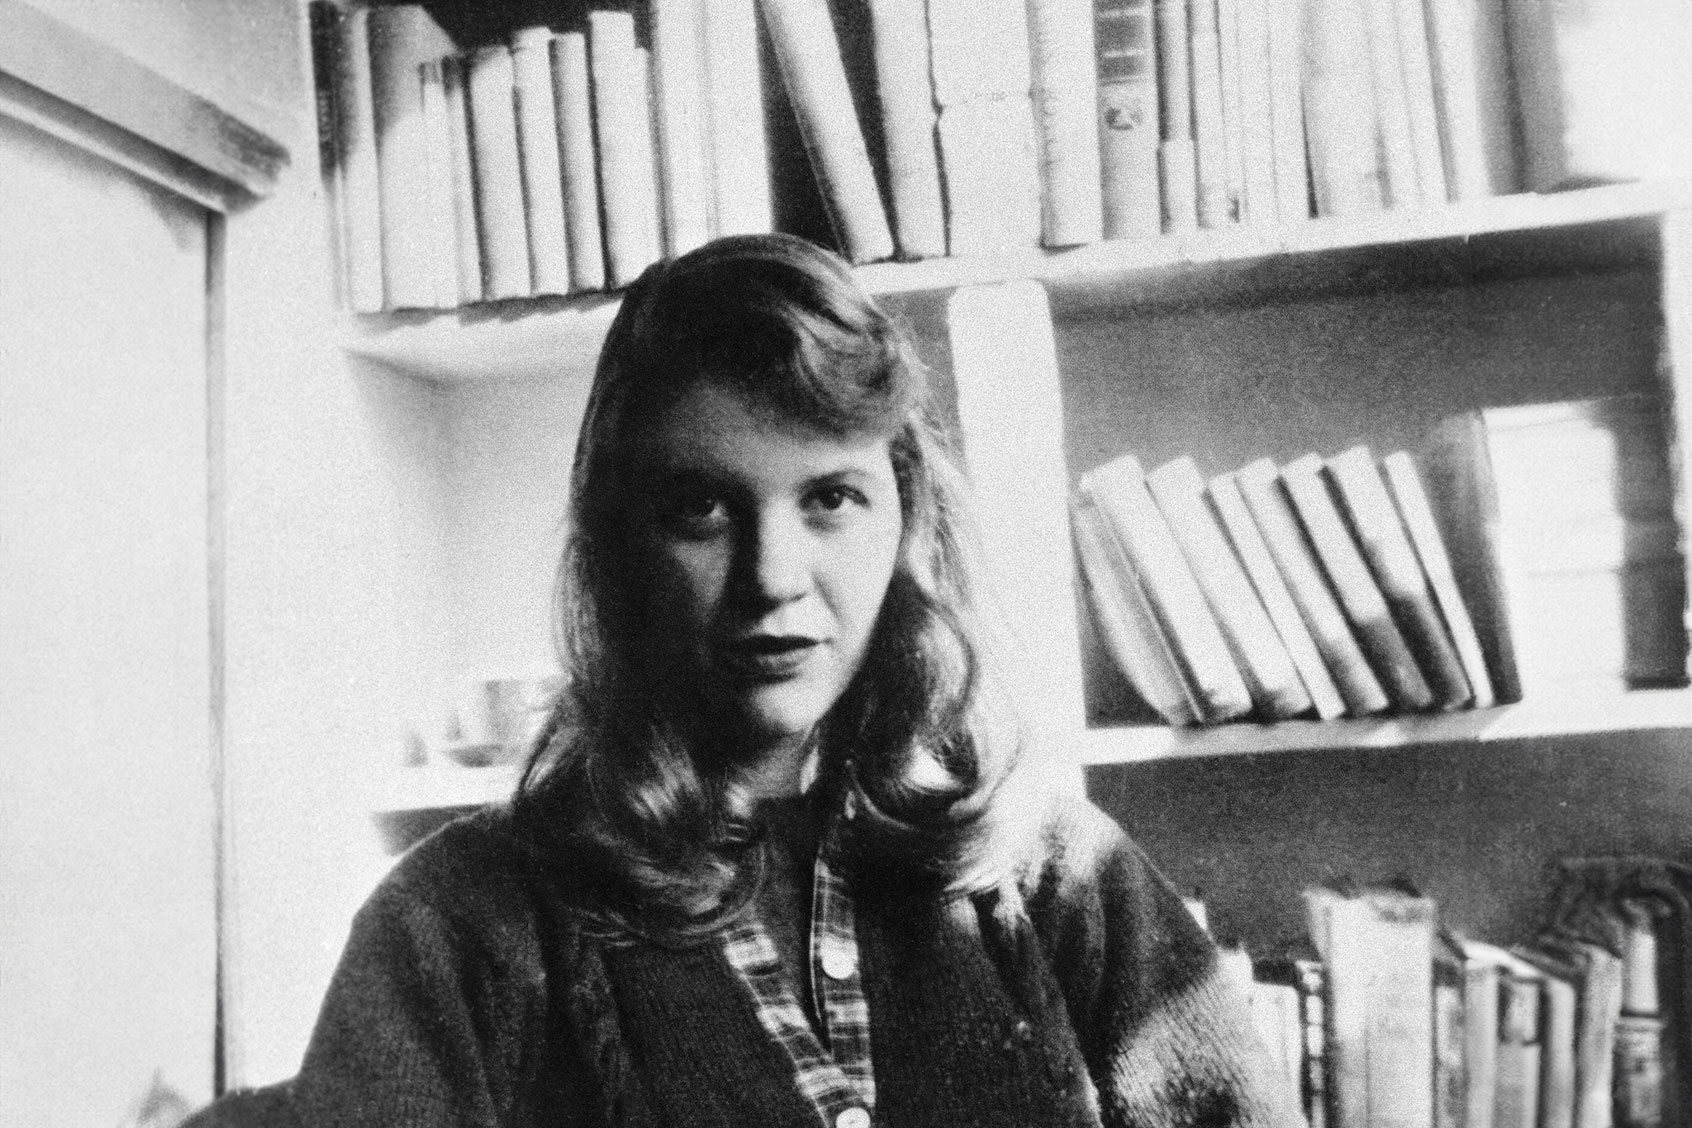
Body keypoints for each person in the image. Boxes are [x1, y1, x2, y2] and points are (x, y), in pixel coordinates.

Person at [187, 234, 1297, 1128]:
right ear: (619, 543)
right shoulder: (459, 926)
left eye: (831, 499)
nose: (774, 579)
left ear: (904, 518)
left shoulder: (1058, 879)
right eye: (702, 508)